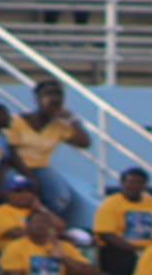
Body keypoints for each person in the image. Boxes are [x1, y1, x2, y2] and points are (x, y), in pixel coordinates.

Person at [5, 79, 91, 220]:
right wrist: (30, 177)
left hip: (40, 168)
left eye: (58, 94)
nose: (54, 98)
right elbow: (11, 151)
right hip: (15, 165)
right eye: (48, 94)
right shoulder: (16, 121)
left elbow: (84, 142)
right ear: (37, 98)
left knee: (60, 196)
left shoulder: (58, 126)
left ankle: (46, 223)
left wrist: (72, 119)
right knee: (20, 191)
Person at [92, 166, 152, 275]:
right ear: (122, 184)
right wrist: (136, 250)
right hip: (119, 249)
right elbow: (105, 234)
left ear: (145, 185)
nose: (134, 186)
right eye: (131, 182)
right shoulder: (110, 203)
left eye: (139, 182)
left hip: (150, 249)